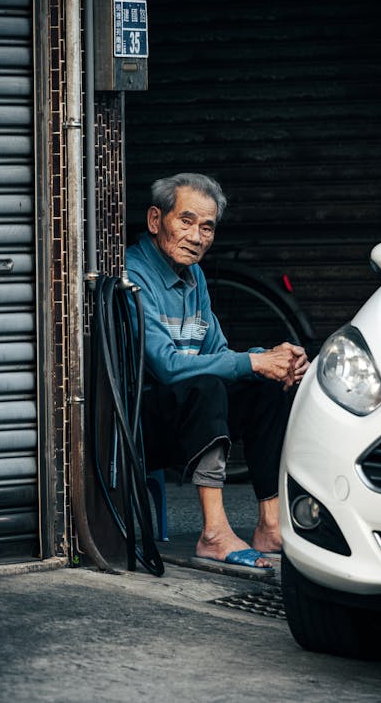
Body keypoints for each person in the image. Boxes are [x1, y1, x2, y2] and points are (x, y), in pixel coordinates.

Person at [126, 173, 309, 570]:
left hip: (186, 416)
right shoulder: (133, 274)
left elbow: (218, 353)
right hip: (139, 425)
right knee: (206, 385)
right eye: (186, 221)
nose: (197, 236)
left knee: (265, 386)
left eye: (206, 227)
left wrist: (273, 360)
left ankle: (270, 525)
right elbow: (167, 367)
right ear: (156, 220)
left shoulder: (194, 276)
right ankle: (213, 534)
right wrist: (255, 361)